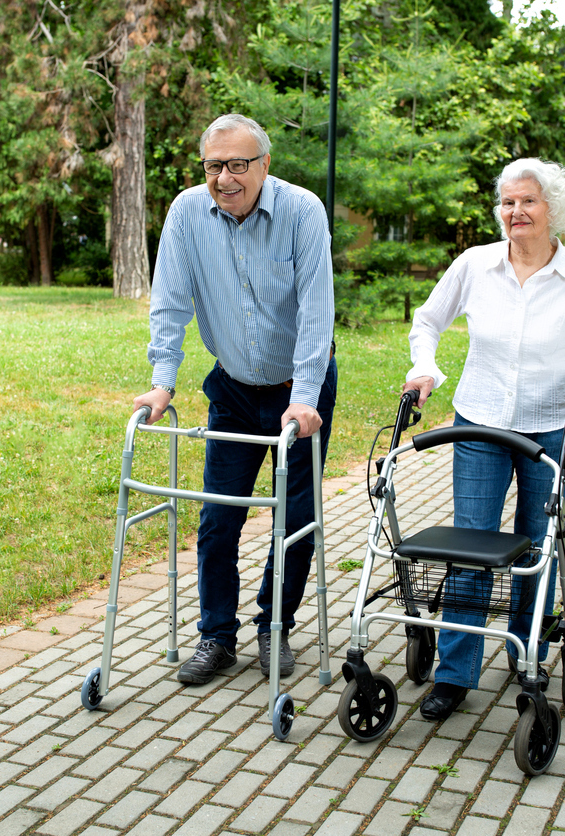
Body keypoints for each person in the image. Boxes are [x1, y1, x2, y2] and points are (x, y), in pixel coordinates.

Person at [403, 158, 565, 720]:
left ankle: (528, 655)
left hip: (552, 424)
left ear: (554, 210)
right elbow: (427, 321)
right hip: (479, 421)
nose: (515, 212)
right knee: (471, 546)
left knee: (536, 546)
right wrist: (425, 368)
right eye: (507, 202)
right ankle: (454, 675)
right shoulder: (475, 265)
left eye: (528, 201)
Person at [133, 113, 336, 685]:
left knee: (296, 516)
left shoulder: (301, 211)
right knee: (219, 519)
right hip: (234, 387)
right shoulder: (187, 212)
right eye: (214, 166)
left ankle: (275, 628)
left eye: (238, 165)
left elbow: (317, 312)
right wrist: (162, 380)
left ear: (264, 165)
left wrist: (302, 399)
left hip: (303, 387)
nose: (225, 178)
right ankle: (217, 637)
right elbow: (170, 300)